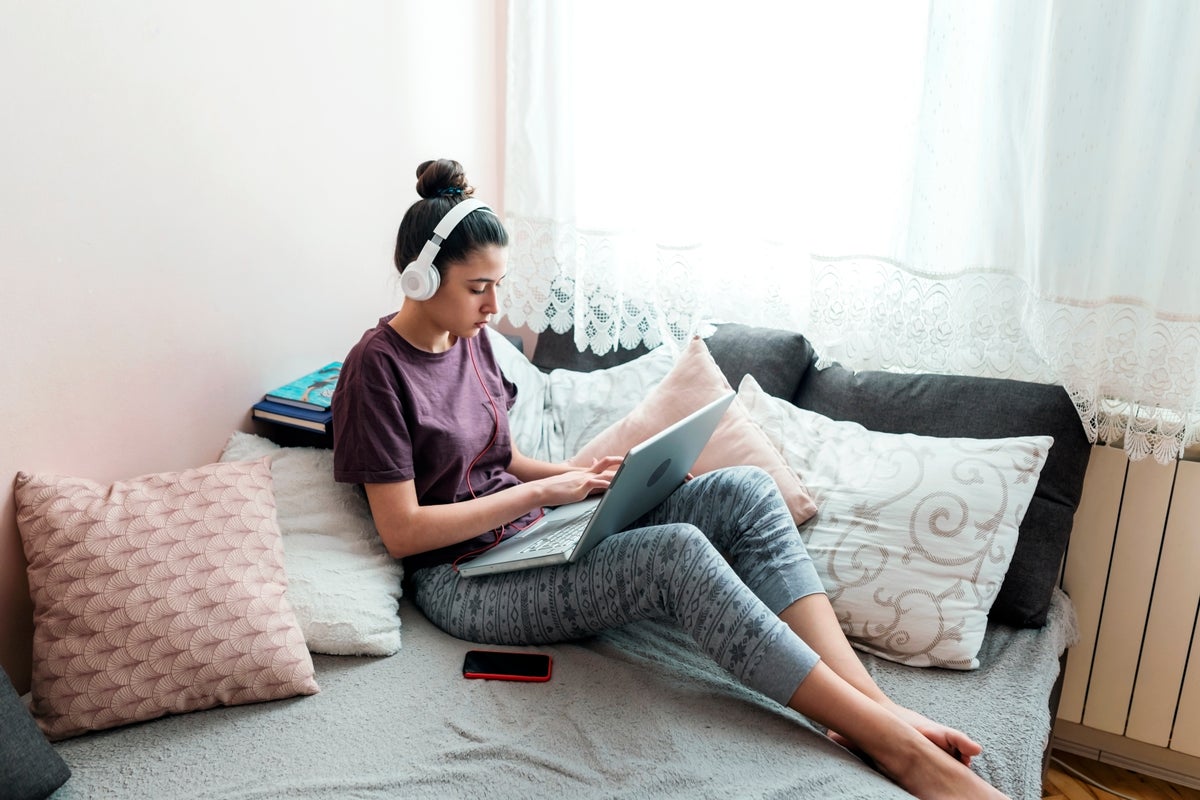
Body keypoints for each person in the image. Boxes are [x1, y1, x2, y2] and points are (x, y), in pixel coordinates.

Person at [331, 159, 1009, 800]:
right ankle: (895, 748)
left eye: (498, 284)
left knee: (743, 491)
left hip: (525, 533)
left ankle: (875, 707)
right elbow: (402, 530)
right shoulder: (376, 370)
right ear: (421, 279)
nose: (493, 305)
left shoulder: (470, 339)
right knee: (675, 553)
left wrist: (572, 475)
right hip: (460, 580)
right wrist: (540, 494)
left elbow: (492, 458)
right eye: (478, 288)